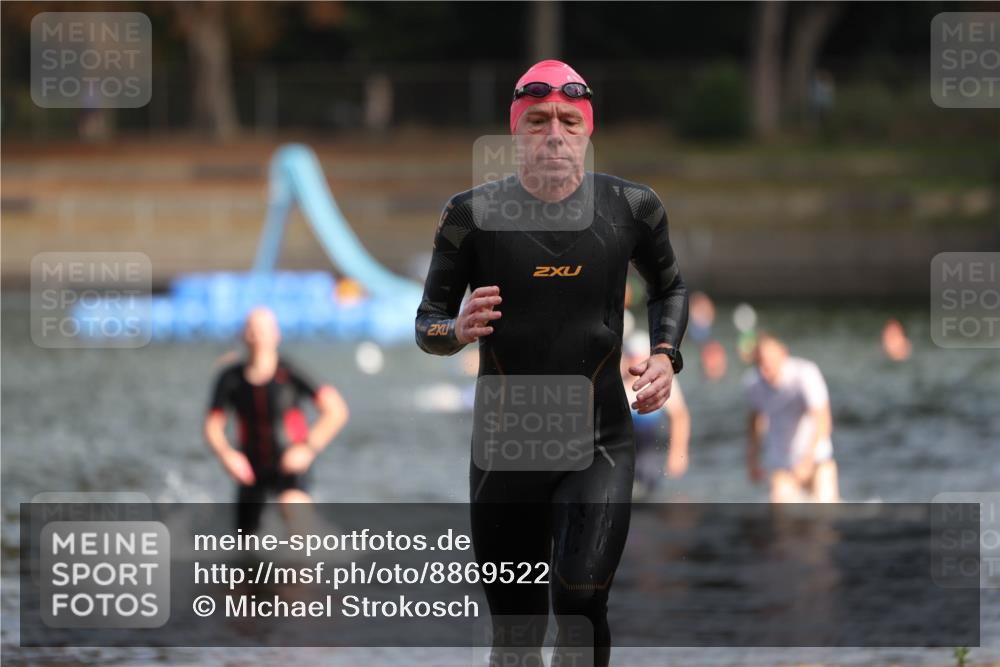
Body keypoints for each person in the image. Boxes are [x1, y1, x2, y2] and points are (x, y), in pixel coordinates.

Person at [415, 59, 688, 667]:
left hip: (600, 442)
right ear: (517, 131)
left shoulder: (632, 209)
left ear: (587, 130)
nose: (554, 133)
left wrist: (668, 355)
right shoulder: (470, 216)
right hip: (503, 450)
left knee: (580, 602)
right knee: (514, 635)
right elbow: (426, 322)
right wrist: (456, 329)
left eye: (569, 120)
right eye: (537, 120)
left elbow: (670, 288)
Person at [204, 307, 349, 533]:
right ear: (242, 335)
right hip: (250, 468)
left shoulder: (290, 373)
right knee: (244, 544)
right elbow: (213, 425)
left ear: (276, 335)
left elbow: (336, 410)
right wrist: (227, 455)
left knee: (293, 507)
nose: (256, 336)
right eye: (251, 330)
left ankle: (306, 563)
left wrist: (308, 449)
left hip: (289, 464)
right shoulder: (229, 378)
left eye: (262, 330)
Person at [744, 333, 840, 503]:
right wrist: (753, 458)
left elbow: (823, 419)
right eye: (760, 364)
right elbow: (755, 420)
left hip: (817, 459)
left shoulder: (805, 374)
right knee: (781, 522)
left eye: (769, 363)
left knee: (825, 518)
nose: (765, 371)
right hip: (783, 465)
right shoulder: (754, 383)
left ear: (784, 355)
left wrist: (808, 460)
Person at [622, 332, 691, 500]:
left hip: (647, 450)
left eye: (639, 357)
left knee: (648, 485)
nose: (635, 362)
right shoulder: (618, 381)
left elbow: (680, 416)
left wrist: (678, 452)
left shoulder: (660, 381)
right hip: (622, 449)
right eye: (632, 357)